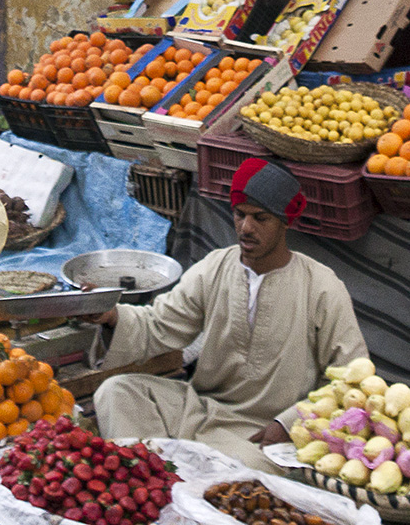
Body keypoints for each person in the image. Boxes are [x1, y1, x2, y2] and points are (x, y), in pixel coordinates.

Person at [89, 157, 367, 473]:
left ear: (285, 222)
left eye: (261, 218)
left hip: (262, 434)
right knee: (117, 391)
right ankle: (144, 480)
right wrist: (112, 317)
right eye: (240, 215)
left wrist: (290, 423)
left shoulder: (322, 287)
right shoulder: (215, 266)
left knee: (240, 472)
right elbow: (159, 324)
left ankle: (161, 471)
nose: (246, 228)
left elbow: (351, 377)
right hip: (201, 409)